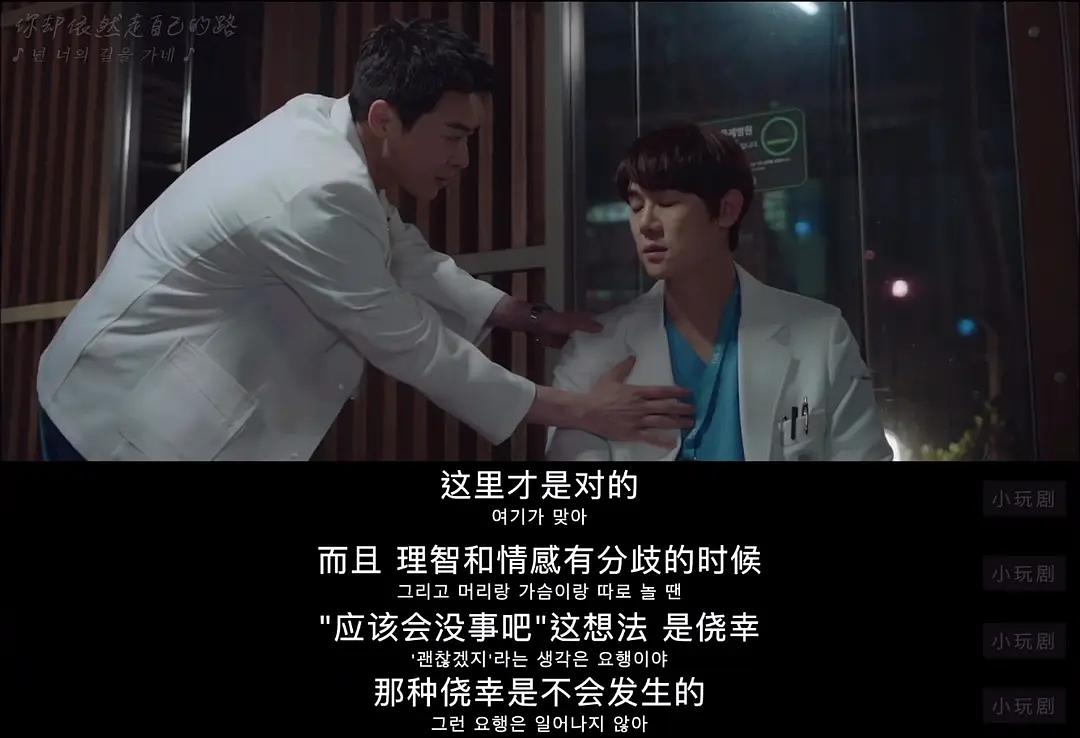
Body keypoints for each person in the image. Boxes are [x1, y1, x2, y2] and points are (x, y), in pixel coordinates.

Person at [35, 19, 694, 461]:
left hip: (169, 391)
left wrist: (521, 315)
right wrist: (580, 411)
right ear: (384, 118)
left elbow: (401, 250)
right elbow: (415, 346)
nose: (463, 159)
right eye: (454, 136)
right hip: (116, 416)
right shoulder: (312, 190)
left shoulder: (328, 134)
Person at [546, 124, 891, 461]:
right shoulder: (593, 352)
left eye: (667, 202)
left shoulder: (821, 335)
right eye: (636, 206)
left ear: (727, 209)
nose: (646, 224)